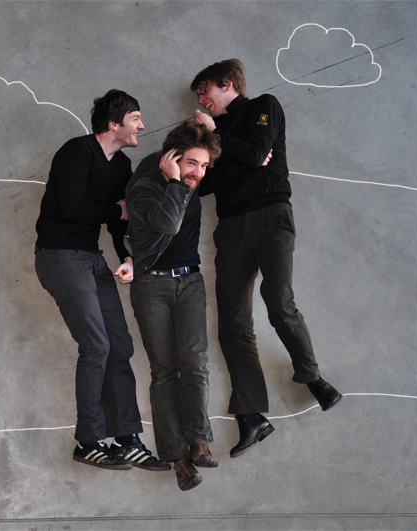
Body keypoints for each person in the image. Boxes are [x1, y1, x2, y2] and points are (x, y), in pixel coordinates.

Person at [191, 59, 342, 458]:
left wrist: (222, 141)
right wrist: (240, 157)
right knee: (232, 322)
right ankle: (251, 416)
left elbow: (257, 152)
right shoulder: (213, 133)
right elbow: (207, 184)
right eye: (199, 96)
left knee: (279, 302)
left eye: (205, 91)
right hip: (230, 227)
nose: (202, 101)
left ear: (228, 84)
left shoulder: (264, 106)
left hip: (272, 216)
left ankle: (312, 377)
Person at [34, 90, 169, 471]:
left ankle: (126, 438)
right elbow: (73, 208)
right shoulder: (77, 152)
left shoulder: (122, 165)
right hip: (60, 256)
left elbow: (118, 222)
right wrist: (115, 210)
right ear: (114, 123)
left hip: (92, 258)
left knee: (119, 345)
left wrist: (128, 256)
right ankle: (88, 441)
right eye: (135, 118)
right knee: (96, 346)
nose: (142, 125)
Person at [125, 122, 222, 491]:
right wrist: (175, 181)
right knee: (165, 371)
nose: (198, 172)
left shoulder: (190, 180)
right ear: (171, 158)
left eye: (204, 166)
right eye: (192, 163)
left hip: (190, 282)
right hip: (152, 285)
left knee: (195, 361)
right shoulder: (145, 186)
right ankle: (178, 460)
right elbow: (168, 224)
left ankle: (198, 442)